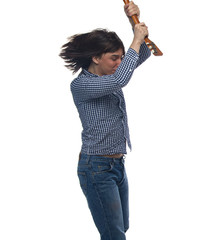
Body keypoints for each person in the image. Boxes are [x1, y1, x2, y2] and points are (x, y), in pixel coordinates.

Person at [59, 2, 151, 240]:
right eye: (114, 58)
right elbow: (121, 79)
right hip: (96, 168)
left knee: (121, 228)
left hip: (117, 165)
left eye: (121, 58)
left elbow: (144, 52)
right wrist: (136, 39)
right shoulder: (82, 85)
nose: (119, 63)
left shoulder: (112, 73)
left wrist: (135, 23)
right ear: (96, 58)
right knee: (113, 235)